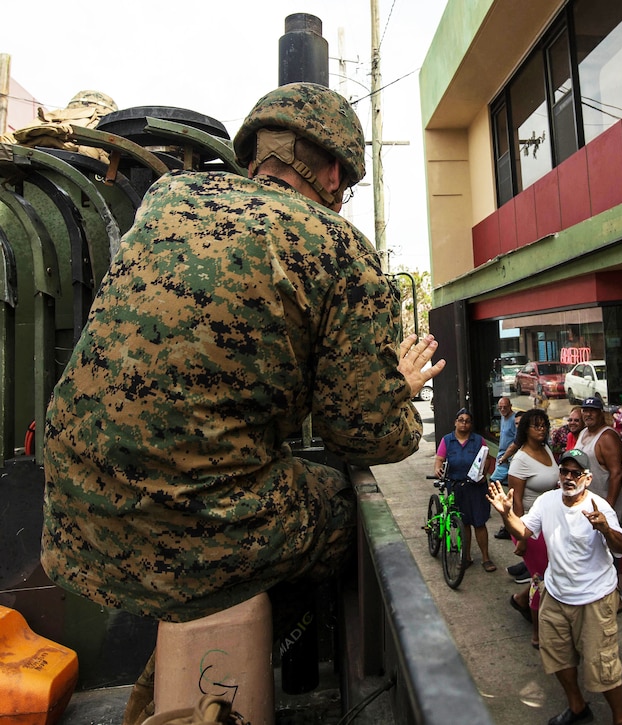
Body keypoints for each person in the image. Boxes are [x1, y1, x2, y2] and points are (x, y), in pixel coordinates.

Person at [40, 82, 443, 625]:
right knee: (341, 507)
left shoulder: (169, 197)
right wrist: (401, 389)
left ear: (251, 156)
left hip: (70, 515)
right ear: (333, 175)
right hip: (185, 537)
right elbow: (365, 434)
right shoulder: (338, 243)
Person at [487, 449, 622, 725]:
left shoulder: (600, 508)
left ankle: (620, 719)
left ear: (587, 479)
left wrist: (605, 530)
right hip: (555, 594)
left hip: (594, 598)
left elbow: (621, 548)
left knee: (603, 665)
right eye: (564, 471)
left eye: (575, 473)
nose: (568, 477)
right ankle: (577, 707)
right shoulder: (547, 501)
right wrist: (506, 514)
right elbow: (523, 531)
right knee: (557, 655)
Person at [505, 408, 560, 648]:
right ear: (525, 429)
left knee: (550, 572)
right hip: (529, 526)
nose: (542, 429)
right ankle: (538, 635)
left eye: (544, 425)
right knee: (541, 579)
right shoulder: (520, 460)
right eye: (536, 425)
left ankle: (520, 599)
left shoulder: (546, 449)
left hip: (551, 522)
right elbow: (516, 505)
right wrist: (522, 538)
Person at [434, 408, 496, 572]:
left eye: (467, 420)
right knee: (464, 523)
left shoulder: (479, 440)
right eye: (460, 420)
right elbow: (439, 460)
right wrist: (438, 469)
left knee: (479, 522)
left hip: (476, 487)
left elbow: (487, 460)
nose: (464, 423)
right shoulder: (447, 440)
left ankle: (485, 558)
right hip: (456, 486)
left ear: (471, 424)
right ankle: (466, 557)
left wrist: (483, 474)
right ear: (455, 422)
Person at [575, 396, 622, 518]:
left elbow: (617, 474)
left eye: (592, 411)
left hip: (601, 507)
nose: (588, 414)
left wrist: (607, 508)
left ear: (601, 413)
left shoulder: (608, 437)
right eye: (585, 411)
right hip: (583, 505)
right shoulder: (583, 432)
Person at [493, 396, 518, 540]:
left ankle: (508, 522)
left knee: (495, 483)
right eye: (500, 407)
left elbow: (516, 442)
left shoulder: (514, 419)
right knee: (507, 488)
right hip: (502, 456)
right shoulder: (503, 418)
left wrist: (505, 457)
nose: (502, 409)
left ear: (510, 406)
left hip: (508, 458)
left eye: (505, 407)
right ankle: (508, 524)